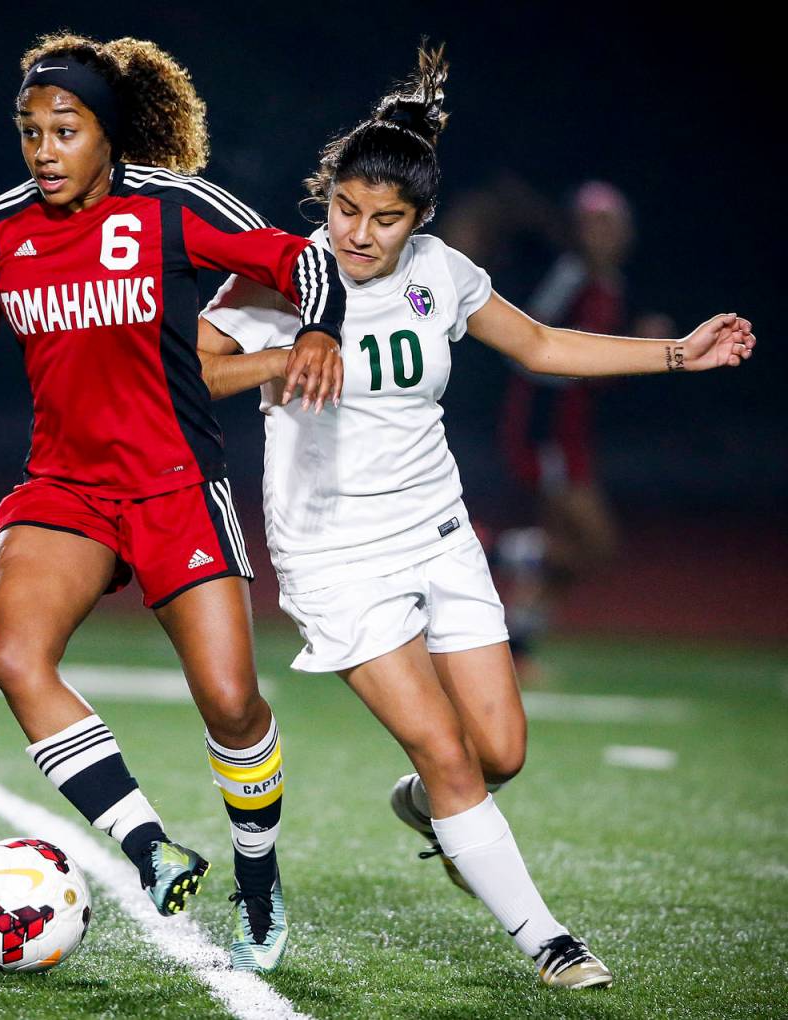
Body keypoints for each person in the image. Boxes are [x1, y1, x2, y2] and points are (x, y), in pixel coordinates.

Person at [197, 44, 755, 989]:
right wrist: (282, 362)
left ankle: (432, 809)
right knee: (450, 752)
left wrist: (677, 357)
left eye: (384, 219)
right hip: (336, 556)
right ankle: (547, 940)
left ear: (419, 221)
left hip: (440, 535)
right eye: (344, 210)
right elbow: (203, 368)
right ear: (324, 197)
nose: (358, 235)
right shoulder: (280, 275)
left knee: (500, 752)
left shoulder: (441, 272)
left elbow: (540, 343)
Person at [0, 31, 346, 973]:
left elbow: (300, 259)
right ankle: (150, 848)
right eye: (30, 132)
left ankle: (259, 881)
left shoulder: (171, 208)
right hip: (65, 486)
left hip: (176, 485)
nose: (44, 150)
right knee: (16, 656)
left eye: (64, 129)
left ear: (109, 133)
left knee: (231, 704)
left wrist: (319, 330)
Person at [495, 181, 674, 669]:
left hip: (572, 433)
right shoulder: (569, 276)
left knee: (568, 547)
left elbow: (598, 371)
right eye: (593, 224)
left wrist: (635, 351)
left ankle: (518, 644)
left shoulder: (612, 286)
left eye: (611, 224)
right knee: (593, 542)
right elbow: (530, 347)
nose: (603, 235)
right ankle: (490, 551)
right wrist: (613, 351)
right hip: (545, 430)